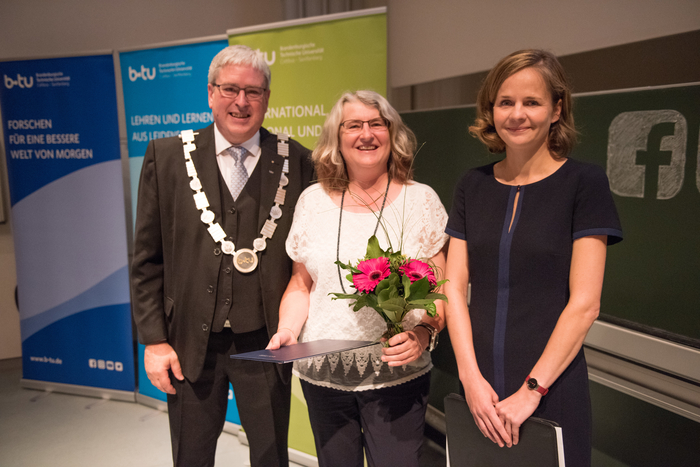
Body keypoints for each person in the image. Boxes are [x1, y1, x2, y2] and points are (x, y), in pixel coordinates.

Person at [130, 44, 314, 467]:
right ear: (211, 93)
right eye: (230, 89)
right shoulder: (168, 157)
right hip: (189, 344)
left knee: (270, 457)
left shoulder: (298, 161)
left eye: (254, 92)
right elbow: (146, 259)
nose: (241, 102)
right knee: (191, 457)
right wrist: (155, 341)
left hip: (265, 342)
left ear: (267, 99)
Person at [443, 49, 623, 467]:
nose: (517, 114)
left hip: (550, 390)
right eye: (505, 102)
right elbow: (453, 285)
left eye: (532, 102)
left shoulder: (584, 182)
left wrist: (531, 392)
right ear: (491, 110)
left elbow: (585, 304)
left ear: (557, 109)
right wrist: (469, 379)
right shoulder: (472, 185)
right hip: (480, 392)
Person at [266, 90, 449, 467]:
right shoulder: (311, 201)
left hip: (397, 376)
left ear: (391, 133)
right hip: (323, 375)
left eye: (376, 123)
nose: (366, 134)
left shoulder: (422, 200)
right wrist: (287, 329)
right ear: (337, 138)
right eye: (353, 125)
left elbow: (440, 290)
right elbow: (302, 284)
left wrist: (423, 333)